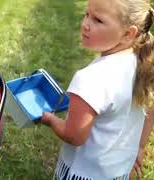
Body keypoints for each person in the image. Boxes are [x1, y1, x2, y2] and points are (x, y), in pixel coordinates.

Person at [40, 0, 154, 179]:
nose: (85, 24)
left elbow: (74, 135)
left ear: (128, 33)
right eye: (87, 14)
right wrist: (139, 148)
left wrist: (51, 120)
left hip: (84, 173)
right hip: (119, 172)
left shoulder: (90, 78)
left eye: (98, 20)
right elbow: (149, 113)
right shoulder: (142, 63)